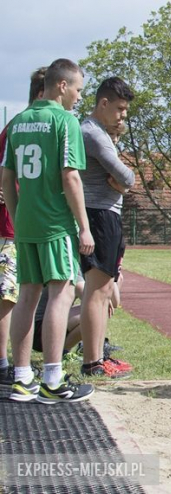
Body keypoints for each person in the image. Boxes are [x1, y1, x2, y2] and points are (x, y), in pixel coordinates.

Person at [2, 58, 95, 403]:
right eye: (77, 89)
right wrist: (84, 227)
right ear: (61, 85)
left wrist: (17, 214)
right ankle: (53, 379)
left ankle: (22, 377)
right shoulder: (64, 121)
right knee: (61, 293)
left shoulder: (18, 121)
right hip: (56, 223)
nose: (78, 96)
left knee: (26, 296)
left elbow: (7, 178)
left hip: (25, 222)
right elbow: (70, 176)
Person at [78, 77, 135, 378]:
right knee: (97, 292)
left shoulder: (100, 133)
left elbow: (121, 181)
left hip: (105, 214)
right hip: (99, 215)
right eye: (120, 109)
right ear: (103, 104)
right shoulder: (92, 133)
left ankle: (98, 357)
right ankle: (91, 362)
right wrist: (125, 182)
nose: (123, 116)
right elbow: (126, 177)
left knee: (102, 291)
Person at [0, 67, 47, 389]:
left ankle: (13, 364)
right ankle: (6, 365)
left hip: (22, 226)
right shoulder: (19, 126)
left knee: (16, 295)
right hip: (9, 227)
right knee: (8, 297)